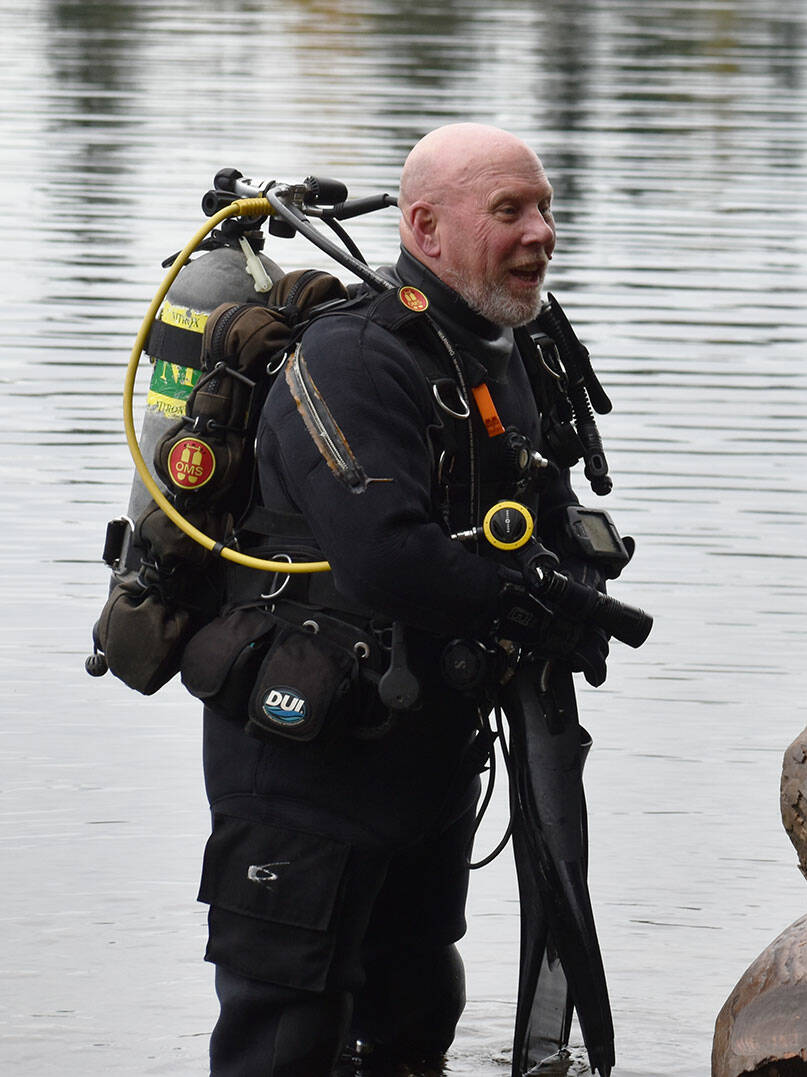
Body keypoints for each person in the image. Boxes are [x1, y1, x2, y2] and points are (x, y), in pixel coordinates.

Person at [191, 124, 620, 1076]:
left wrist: (576, 582)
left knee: (415, 1010)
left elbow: (547, 499)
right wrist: (528, 608)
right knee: (286, 1030)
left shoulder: (518, 340)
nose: (541, 232)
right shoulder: (352, 361)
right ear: (425, 226)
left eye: (543, 207)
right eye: (510, 211)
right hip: (307, 753)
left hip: (428, 746)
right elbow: (387, 557)